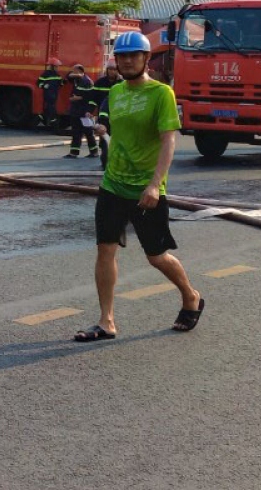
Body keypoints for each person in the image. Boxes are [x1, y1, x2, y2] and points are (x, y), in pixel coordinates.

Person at [73, 32, 203, 342]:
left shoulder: (161, 94)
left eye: (134, 55)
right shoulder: (116, 92)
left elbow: (169, 140)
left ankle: (191, 296)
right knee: (105, 250)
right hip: (112, 185)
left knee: (156, 256)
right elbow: (118, 131)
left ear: (146, 59)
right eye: (123, 56)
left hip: (146, 189)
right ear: (116, 60)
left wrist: (155, 185)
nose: (128, 60)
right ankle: (106, 322)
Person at [88, 65, 121, 170]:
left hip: (120, 119)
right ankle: (105, 164)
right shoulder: (100, 82)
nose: (112, 72)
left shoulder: (122, 83)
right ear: (107, 70)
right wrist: (90, 111)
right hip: (104, 118)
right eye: (110, 69)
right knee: (104, 142)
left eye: (114, 70)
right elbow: (93, 99)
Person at [63, 65, 98, 159]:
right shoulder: (76, 80)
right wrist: (74, 75)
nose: (73, 73)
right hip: (76, 110)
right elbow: (67, 77)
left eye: (75, 71)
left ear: (80, 71)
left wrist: (78, 98)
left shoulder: (87, 81)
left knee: (88, 132)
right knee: (76, 132)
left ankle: (94, 152)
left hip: (84, 111)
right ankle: (74, 153)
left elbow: (91, 96)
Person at [37, 58, 63, 128]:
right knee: (51, 107)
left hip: (54, 94)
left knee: (49, 108)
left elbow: (60, 83)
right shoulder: (45, 74)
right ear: (52, 66)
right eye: (56, 66)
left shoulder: (57, 75)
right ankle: (53, 122)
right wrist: (43, 86)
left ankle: (41, 117)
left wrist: (66, 80)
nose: (57, 68)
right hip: (48, 94)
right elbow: (38, 83)